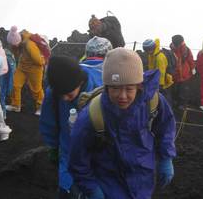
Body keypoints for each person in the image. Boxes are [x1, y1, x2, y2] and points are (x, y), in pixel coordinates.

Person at [69, 48, 176, 198]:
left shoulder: (152, 101)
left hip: (143, 181)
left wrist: (166, 158)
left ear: (139, 85)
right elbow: (78, 158)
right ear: (106, 86)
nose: (123, 96)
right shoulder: (92, 115)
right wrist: (91, 188)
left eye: (129, 88)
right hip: (108, 184)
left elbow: (165, 126)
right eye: (115, 88)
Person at [39, 56, 103, 198]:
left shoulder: (100, 89)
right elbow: (49, 122)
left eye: (69, 94)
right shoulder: (53, 93)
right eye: (60, 94)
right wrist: (53, 147)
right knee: (68, 190)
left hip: (98, 153)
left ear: (80, 82)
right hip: (69, 150)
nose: (64, 99)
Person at [6, 26, 45, 115]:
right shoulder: (20, 43)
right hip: (22, 67)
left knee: (36, 89)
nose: (13, 46)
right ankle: (16, 106)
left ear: (18, 41)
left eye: (14, 44)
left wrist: (43, 63)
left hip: (35, 69)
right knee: (15, 84)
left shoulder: (29, 45)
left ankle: (41, 108)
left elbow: (38, 60)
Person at [170, 34, 195, 109]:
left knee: (182, 91)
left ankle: (181, 104)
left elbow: (190, 59)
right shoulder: (173, 50)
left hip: (184, 74)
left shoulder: (186, 50)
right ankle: (175, 102)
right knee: (175, 90)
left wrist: (193, 68)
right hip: (175, 74)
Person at [0, 48, 16, 119]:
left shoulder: (0, 56)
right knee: (1, 96)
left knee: (0, 96)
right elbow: (12, 72)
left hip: (1, 80)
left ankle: (2, 114)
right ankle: (3, 114)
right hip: (4, 80)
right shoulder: (8, 54)